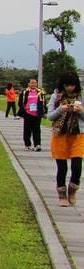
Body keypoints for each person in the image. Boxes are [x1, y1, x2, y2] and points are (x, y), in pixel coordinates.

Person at [47, 72, 84, 206]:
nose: (69, 88)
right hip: (60, 136)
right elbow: (50, 116)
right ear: (62, 85)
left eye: (72, 85)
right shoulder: (55, 97)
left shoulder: (81, 97)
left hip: (77, 135)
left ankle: (72, 189)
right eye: (67, 85)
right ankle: (62, 194)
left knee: (77, 166)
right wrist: (61, 109)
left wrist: (80, 111)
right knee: (62, 168)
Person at [18, 77, 46, 152]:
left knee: (37, 130)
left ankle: (37, 144)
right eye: (32, 83)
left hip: (37, 114)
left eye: (35, 83)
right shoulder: (25, 92)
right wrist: (23, 111)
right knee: (27, 130)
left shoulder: (40, 92)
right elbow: (20, 102)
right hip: (28, 113)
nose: (34, 84)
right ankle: (27, 145)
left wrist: (44, 112)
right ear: (28, 84)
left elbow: (44, 102)